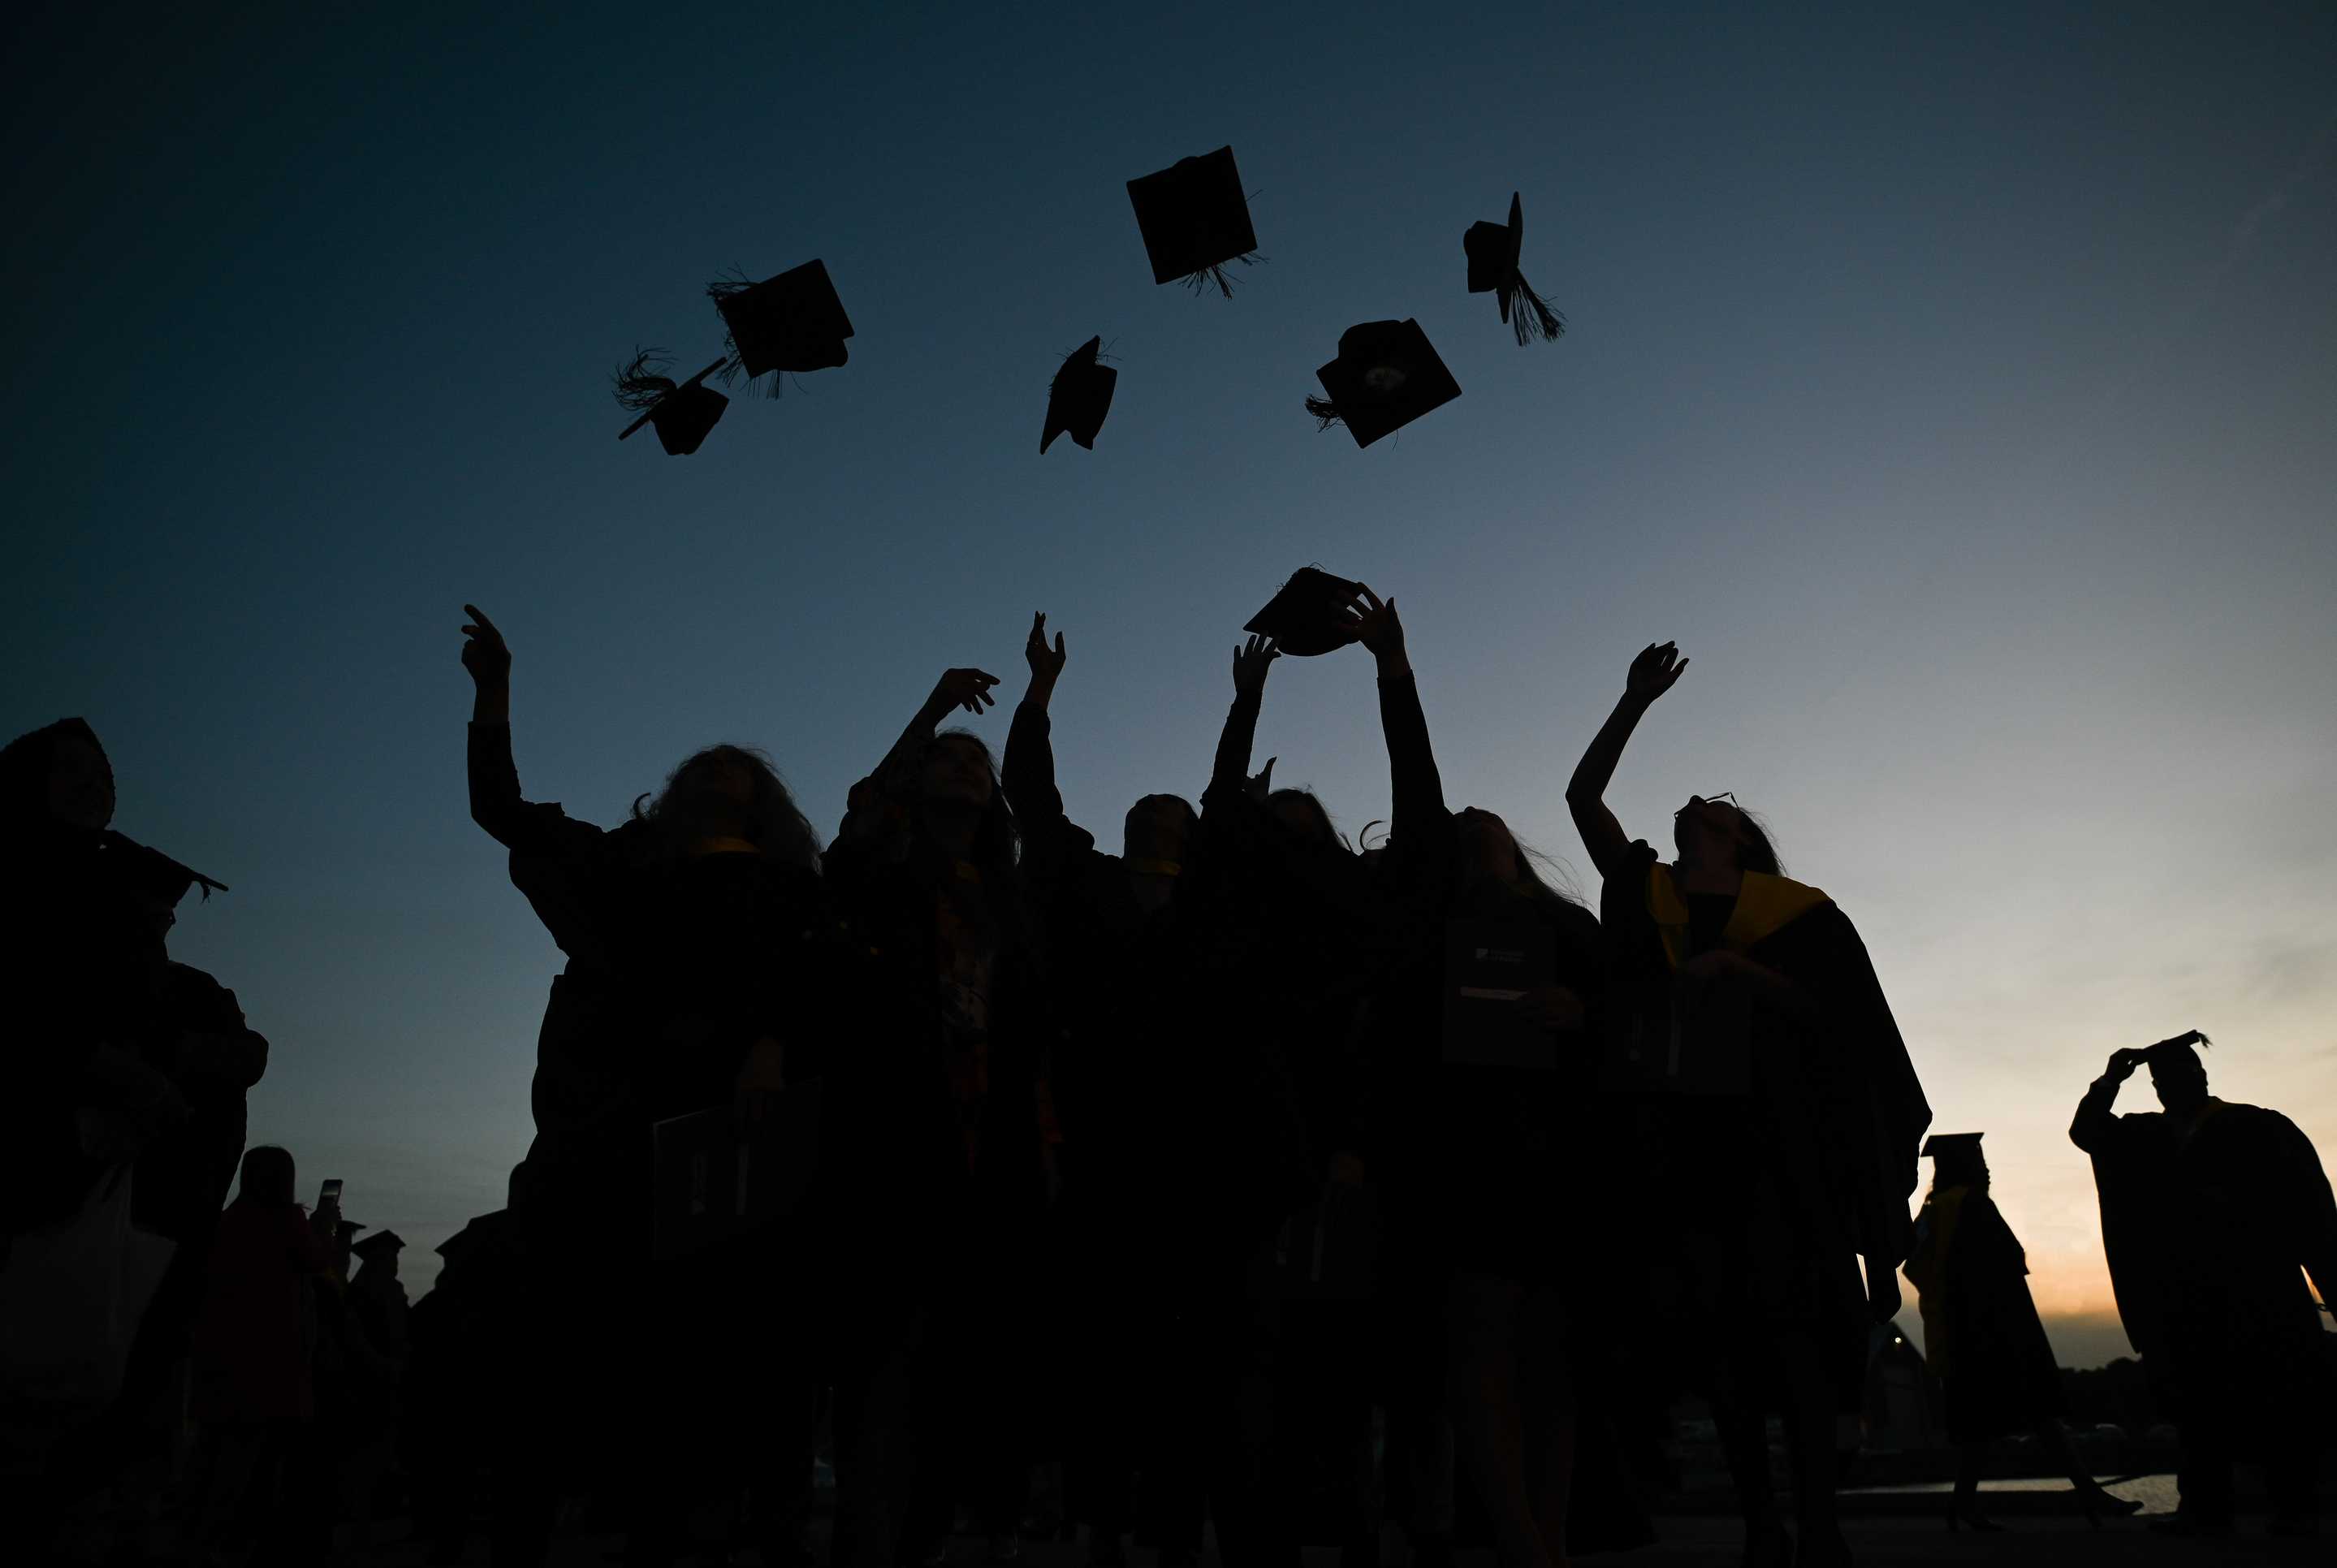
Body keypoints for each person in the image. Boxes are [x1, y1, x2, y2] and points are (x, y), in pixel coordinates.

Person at [1566, 640, 1930, 1568]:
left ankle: (1819, 1518)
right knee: (1720, 1346)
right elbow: (1582, 798)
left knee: (1799, 1340)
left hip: (1781, 1144)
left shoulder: (1799, 910)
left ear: (1738, 838)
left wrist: (1739, 971)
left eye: (1719, 807)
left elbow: (1846, 1027)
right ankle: (1763, 1522)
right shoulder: (1646, 887)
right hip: (1677, 1144)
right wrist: (1632, 699)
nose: (1699, 803)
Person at [1341, 588, 1607, 1568]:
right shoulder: (1419, 929)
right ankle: (1522, 1543)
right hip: (1454, 1150)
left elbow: (1633, 1010)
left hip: (1555, 1148)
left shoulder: (1565, 929)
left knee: (1553, 1364)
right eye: (1455, 829)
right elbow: (1415, 774)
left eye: (1480, 823)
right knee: (1477, 1352)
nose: (1467, 829)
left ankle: (1544, 1530)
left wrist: (1582, 1017)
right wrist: (1392, 669)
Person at [827, 664, 1059, 1568]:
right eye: (947, 758)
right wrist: (929, 708)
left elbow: (1032, 1033)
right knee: (887, 1342)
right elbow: (864, 806)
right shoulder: (883, 870)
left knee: (970, 1347)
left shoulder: (1007, 895)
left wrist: (1046, 1142)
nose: (965, 766)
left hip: (991, 1132)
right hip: (897, 1119)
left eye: (976, 760)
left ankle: (932, 1525)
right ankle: (870, 1530)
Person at [2070, 1031, 2337, 1536]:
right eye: (2161, 1079)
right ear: (2153, 1086)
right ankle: (2205, 1510)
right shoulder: (2147, 1136)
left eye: (2180, 1074)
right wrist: (2109, 1080)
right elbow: (2087, 1131)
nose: (2170, 1085)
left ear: (2201, 1076)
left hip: (2260, 1289)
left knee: (2277, 1398)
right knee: (2199, 1408)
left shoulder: (2258, 1127)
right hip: (2185, 1297)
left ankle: (2293, 1509)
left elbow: (2310, 1209)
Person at [1900, 1134, 2140, 1529]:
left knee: (1979, 1426)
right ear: (1968, 1166)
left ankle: (1965, 1508)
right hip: (1997, 1328)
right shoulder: (1972, 1204)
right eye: (1980, 1161)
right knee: (2038, 1414)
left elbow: (1915, 1267)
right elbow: (2005, 1264)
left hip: (1958, 1330)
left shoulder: (1933, 1211)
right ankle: (2089, 1497)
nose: (1987, 1168)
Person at [182, 1146, 333, 1562]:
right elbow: (315, 1261)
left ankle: (195, 1534)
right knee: (247, 1460)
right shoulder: (286, 1221)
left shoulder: (228, 1222)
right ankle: (225, 1540)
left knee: (211, 1450)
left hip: (220, 1352)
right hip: (270, 1358)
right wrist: (323, 1228)